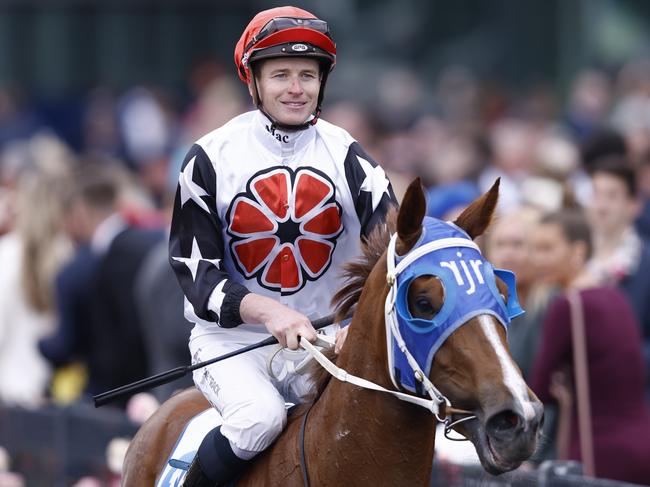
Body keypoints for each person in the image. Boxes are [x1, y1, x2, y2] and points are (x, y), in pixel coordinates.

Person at [168, 7, 396, 486]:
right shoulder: (208, 157)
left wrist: (358, 325)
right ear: (253, 82)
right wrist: (270, 313)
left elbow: (394, 252)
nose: (297, 88)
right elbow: (196, 275)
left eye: (308, 75)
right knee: (259, 420)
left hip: (326, 344)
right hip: (233, 343)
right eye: (281, 75)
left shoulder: (351, 158)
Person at [529, 209, 650, 484]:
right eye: (534, 249)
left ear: (578, 251)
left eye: (547, 248)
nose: (537, 259)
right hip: (642, 442)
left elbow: (537, 389)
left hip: (596, 451)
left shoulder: (567, 305)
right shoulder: (615, 295)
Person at [585, 157, 650, 388]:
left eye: (612, 196)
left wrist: (615, 358)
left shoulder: (645, 263)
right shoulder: (572, 258)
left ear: (634, 205)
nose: (601, 205)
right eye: (595, 194)